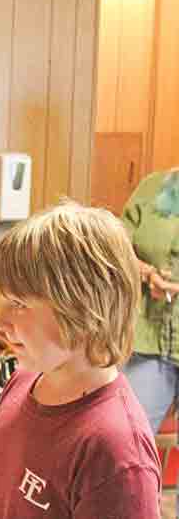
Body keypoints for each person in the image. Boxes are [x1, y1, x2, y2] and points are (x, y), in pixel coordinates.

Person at [0, 203, 161, 519]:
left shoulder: (118, 454)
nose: (0, 321)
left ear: (82, 309)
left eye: (18, 304)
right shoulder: (24, 379)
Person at [120, 170, 179, 455]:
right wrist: (147, 273)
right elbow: (120, 247)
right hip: (149, 338)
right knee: (126, 442)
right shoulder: (153, 186)